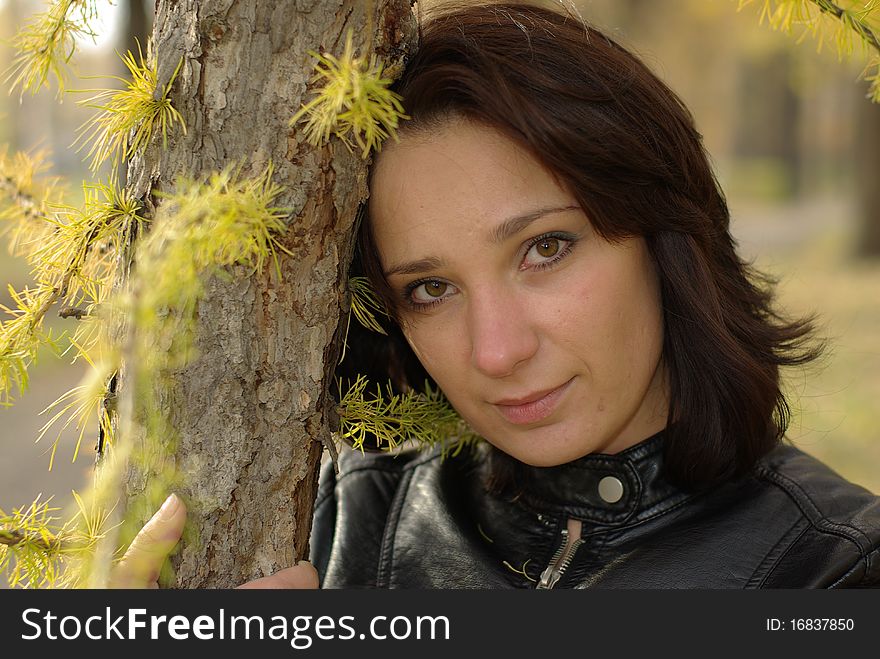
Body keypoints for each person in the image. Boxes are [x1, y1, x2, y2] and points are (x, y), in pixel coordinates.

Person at [119, 2, 880, 589]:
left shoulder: (833, 566)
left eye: (545, 249)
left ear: (663, 231)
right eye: (430, 288)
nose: (498, 350)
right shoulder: (339, 527)